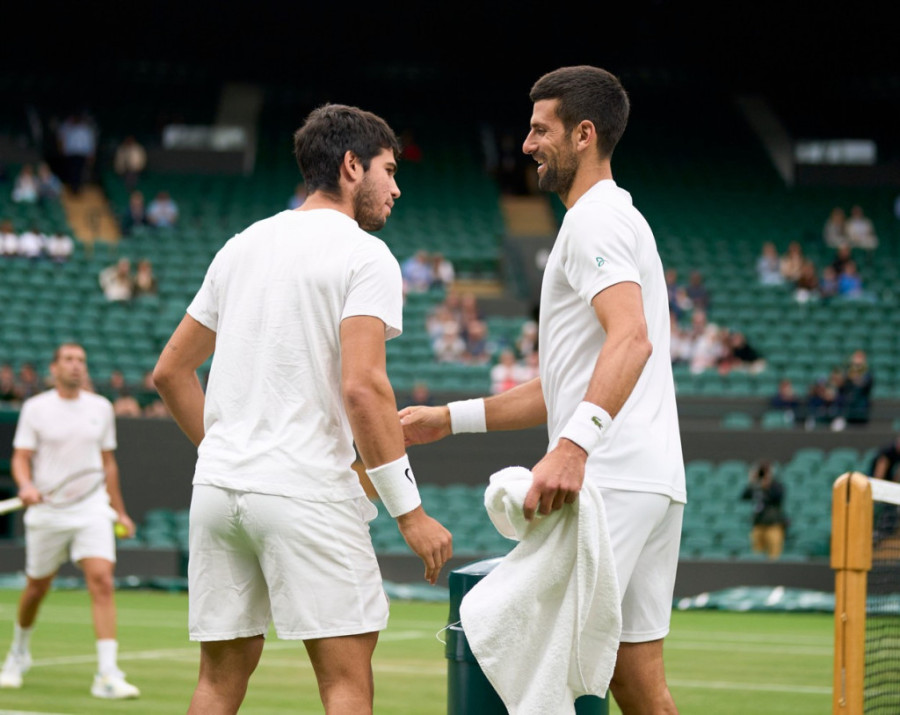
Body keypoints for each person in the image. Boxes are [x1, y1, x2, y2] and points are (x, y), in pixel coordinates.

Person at [399, 66, 684, 714]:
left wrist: (573, 448)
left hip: (609, 482)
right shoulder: (615, 219)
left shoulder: (593, 223)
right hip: (651, 480)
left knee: (507, 645)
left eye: (539, 129)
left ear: (584, 134)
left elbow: (631, 340)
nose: (525, 143)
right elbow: (566, 382)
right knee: (639, 685)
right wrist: (447, 419)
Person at [151, 103, 452, 715]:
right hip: (307, 492)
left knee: (217, 682)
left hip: (217, 491)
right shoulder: (366, 256)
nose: (396, 187)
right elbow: (364, 388)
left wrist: (226, 451)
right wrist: (411, 514)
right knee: (344, 683)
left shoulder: (242, 245)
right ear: (350, 166)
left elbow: (170, 372)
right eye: (389, 171)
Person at [0, 343, 139, 698]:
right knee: (36, 589)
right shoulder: (35, 408)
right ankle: (17, 654)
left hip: (92, 508)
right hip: (47, 511)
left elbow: (108, 464)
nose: (76, 366)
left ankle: (107, 674)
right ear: (54, 367)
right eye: (69, 360)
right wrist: (27, 484)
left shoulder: (101, 408)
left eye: (81, 361)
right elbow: (21, 457)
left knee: (102, 580)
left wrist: (119, 510)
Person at [740, 461, 787, 560]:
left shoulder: (777, 485)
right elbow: (744, 496)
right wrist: (752, 481)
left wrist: (767, 484)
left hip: (773, 524)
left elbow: (777, 496)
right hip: (758, 523)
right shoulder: (756, 486)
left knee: (774, 555)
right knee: (757, 555)